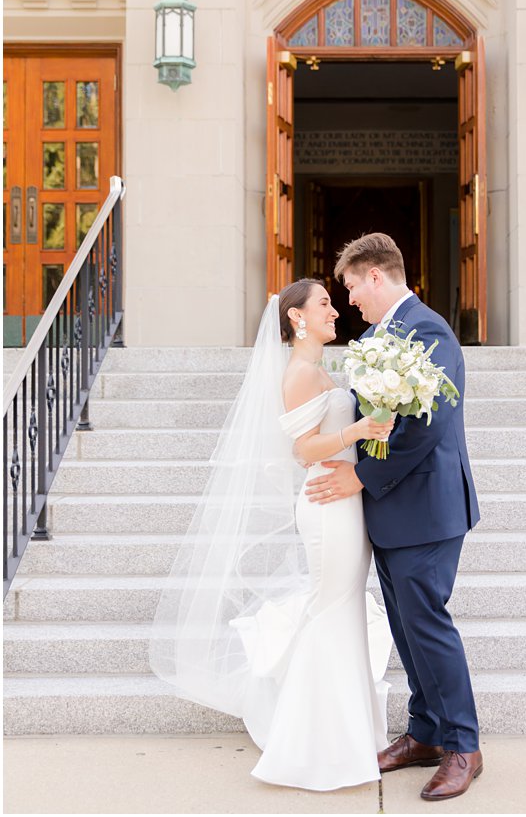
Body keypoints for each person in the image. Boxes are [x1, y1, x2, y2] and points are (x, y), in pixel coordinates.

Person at [150, 279, 394, 791]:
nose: (334, 310)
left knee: (341, 611)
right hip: (326, 505)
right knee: (330, 611)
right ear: (297, 318)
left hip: (343, 502)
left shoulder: (319, 369)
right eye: (324, 303)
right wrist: (358, 430)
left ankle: (347, 736)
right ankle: (309, 746)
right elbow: (303, 450)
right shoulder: (300, 373)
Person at [306, 231, 484, 802]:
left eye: (353, 286)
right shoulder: (383, 335)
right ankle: (427, 733)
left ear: (377, 276)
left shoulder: (428, 331)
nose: (351, 299)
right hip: (392, 512)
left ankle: (464, 745)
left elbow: (424, 427)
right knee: (407, 630)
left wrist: (361, 477)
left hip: (426, 508)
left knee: (427, 624)